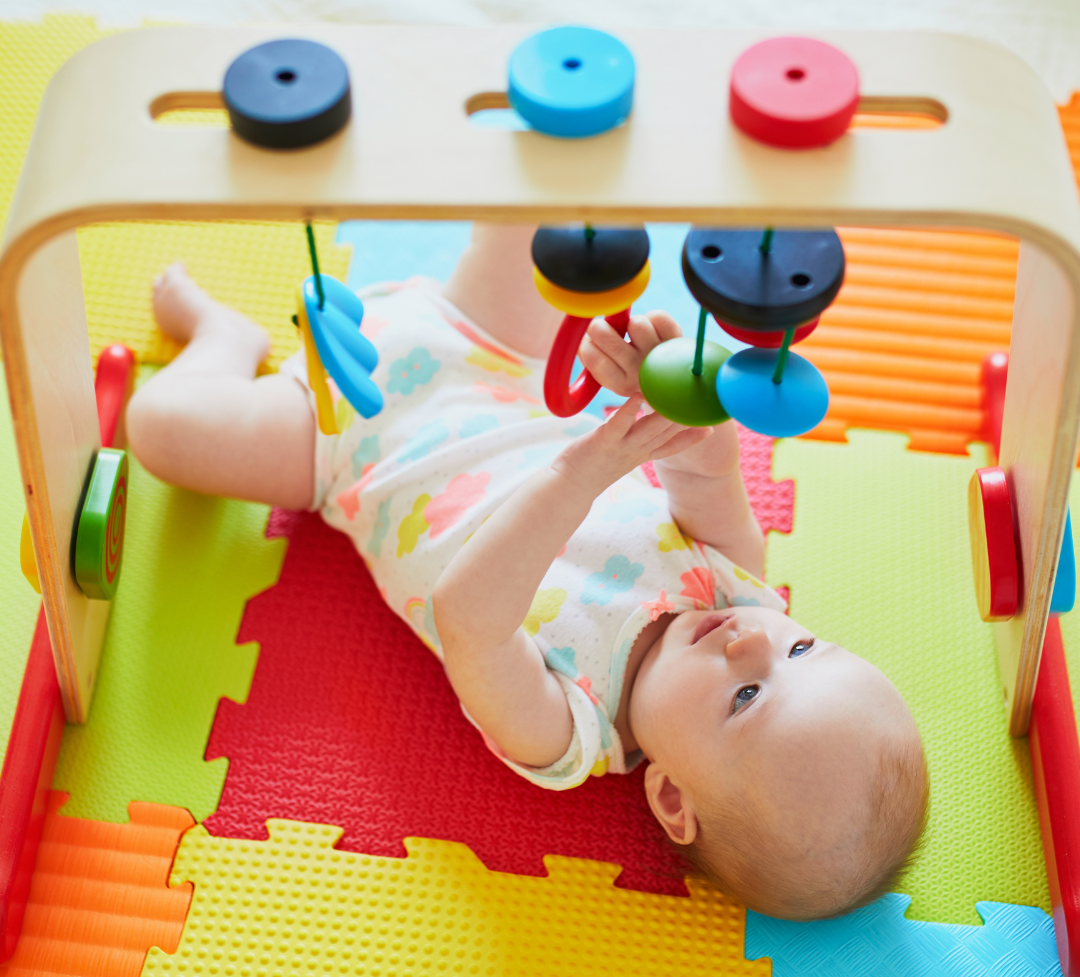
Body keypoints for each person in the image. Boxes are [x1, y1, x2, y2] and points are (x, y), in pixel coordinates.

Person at [126, 223, 928, 920]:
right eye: (802, 649)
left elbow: (468, 612)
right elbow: (708, 468)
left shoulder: (567, 731)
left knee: (160, 426)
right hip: (495, 358)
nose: (753, 646)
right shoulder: (733, 583)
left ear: (672, 798)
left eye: (746, 699)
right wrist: (671, 393)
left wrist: (582, 470)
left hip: (344, 446)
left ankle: (225, 344)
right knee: (564, 214)